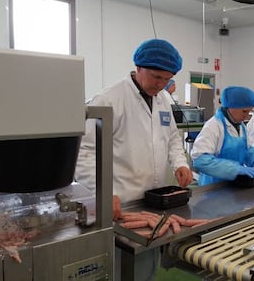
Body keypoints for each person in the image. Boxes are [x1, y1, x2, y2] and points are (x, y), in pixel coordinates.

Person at [74, 38, 193, 281]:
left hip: (151, 201)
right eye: (155, 77)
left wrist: (180, 163)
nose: (160, 85)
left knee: (148, 262)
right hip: (121, 204)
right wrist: (103, 192)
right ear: (138, 67)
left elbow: (171, 138)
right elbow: (84, 152)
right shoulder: (109, 99)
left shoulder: (162, 100)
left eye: (166, 79)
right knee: (121, 267)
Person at [191, 86, 254, 186]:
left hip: (235, 185)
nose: (247, 115)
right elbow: (200, 160)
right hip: (213, 187)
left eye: (249, 111)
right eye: (244, 111)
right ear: (231, 107)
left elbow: (248, 149)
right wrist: (234, 169)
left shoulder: (241, 126)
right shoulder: (214, 125)